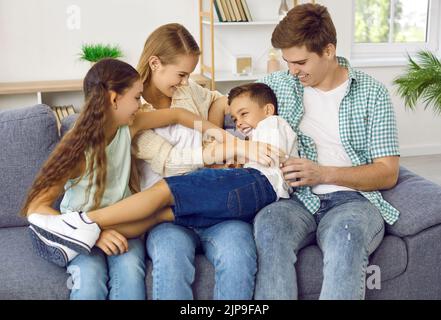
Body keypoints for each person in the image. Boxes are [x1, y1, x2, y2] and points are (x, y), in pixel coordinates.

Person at [26, 83, 297, 287]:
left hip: (254, 184)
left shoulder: (272, 123)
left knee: (163, 191)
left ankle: (81, 223)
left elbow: (269, 153)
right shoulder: (125, 128)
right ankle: (81, 232)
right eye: (235, 118)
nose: (238, 123)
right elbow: (174, 149)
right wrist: (235, 147)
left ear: (268, 110)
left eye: (243, 115)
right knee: (156, 213)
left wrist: (237, 146)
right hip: (247, 188)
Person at [20, 58, 238, 300]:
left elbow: (177, 115)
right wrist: (94, 234)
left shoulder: (129, 127)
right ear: (114, 99)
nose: (140, 105)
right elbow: (36, 207)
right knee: (90, 280)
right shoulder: (77, 149)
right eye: (136, 98)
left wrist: (218, 133)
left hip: (126, 226)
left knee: (130, 273)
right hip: (82, 232)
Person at [252, 3, 401, 300]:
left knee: (347, 239)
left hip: (352, 202)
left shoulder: (373, 94)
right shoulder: (277, 86)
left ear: (329, 51)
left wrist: (322, 173)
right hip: (294, 201)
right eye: (287, 62)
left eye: (301, 62)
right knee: (269, 227)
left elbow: (388, 172)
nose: (293, 71)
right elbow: (221, 104)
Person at [133, 23, 268, 300]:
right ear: (155, 63)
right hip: (167, 215)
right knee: (171, 261)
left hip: (214, 206)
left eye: (188, 75)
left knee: (239, 254)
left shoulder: (187, 91)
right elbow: (170, 164)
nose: (185, 81)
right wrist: (222, 151)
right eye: (181, 74)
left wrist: (214, 130)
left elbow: (221, 100)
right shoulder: (132, 109)